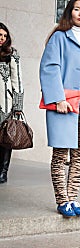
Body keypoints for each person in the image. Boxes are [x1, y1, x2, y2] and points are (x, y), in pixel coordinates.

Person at [39, 0, 80, 217]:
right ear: (69, 12)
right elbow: (49, 68)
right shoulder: (59, 37)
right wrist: (57, 98)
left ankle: (73, 198)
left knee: (79, 155)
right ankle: (62, 200)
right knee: (60, 154)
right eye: (77, 9)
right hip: (64, 105)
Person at [0, 23, 24, 184]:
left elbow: (18, 81)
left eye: (4, 35)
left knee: (5, 138)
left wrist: (18, 106)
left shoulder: (12, 54)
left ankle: (3, 171)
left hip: (5, 103)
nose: (2, 38)